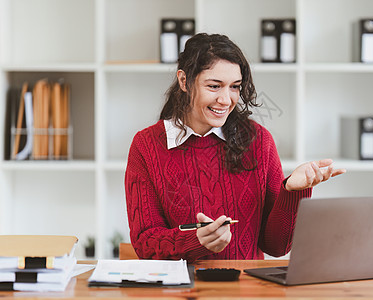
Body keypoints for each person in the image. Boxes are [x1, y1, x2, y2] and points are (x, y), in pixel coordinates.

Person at [125, 33, 345, 262]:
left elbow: (277, 247)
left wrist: (292, 191)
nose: (226, 99)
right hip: (182, 291)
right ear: (184, 81)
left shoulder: (259, 141)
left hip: (246, 291)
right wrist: (196, 241)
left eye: (234, 87)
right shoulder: (146, 146)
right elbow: (145, 243)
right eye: (214, 86)